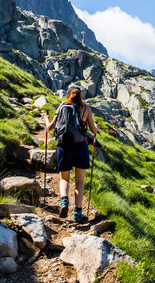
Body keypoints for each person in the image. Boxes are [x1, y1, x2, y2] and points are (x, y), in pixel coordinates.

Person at [44, 85, 99, 223]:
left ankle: (64, 202)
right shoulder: (86, 109)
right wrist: (96, 127)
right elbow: (93, 131)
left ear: (68, 95)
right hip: (81, 147)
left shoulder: (62, 106)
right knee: (79, 181)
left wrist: (45, 118)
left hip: (64, 146)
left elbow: (49, 127)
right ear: (81, 95)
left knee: (64, 179)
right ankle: (78, 213)